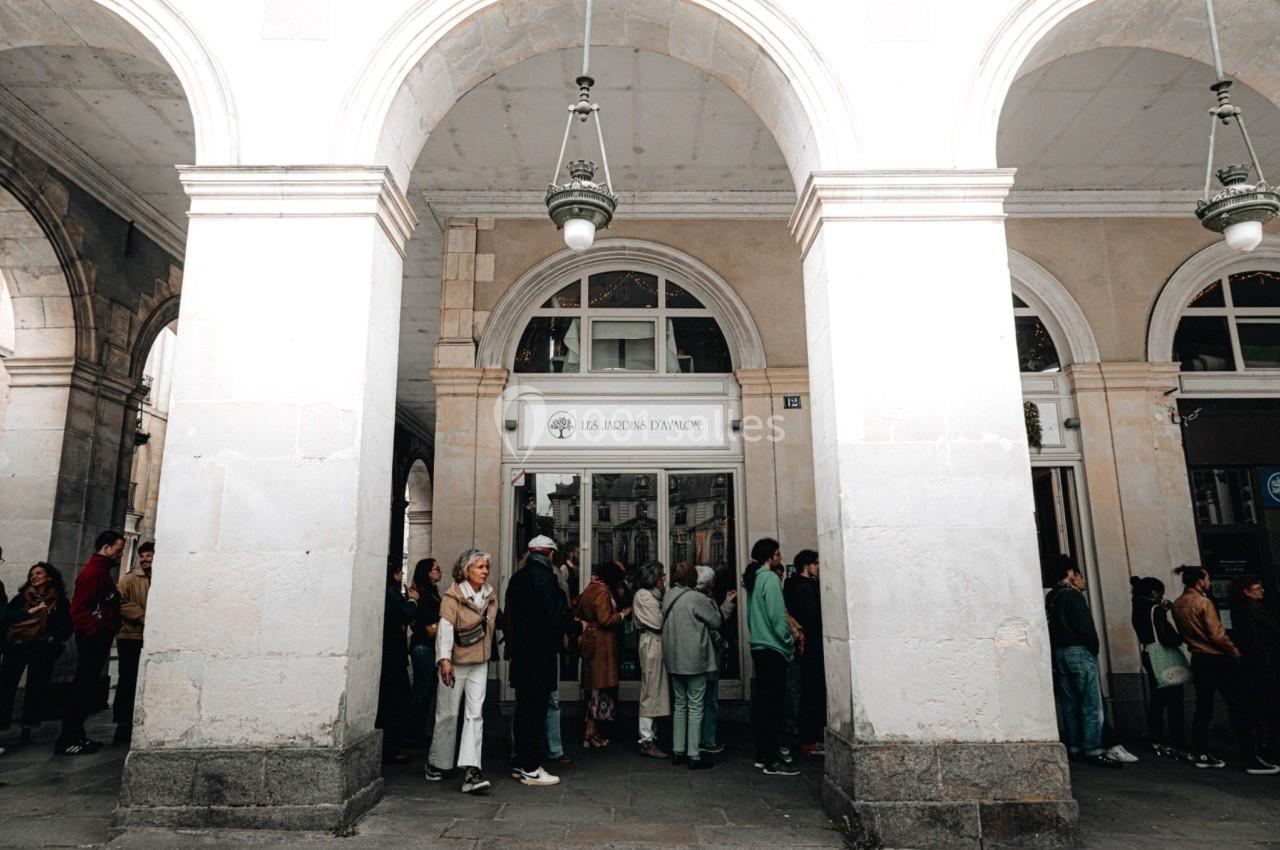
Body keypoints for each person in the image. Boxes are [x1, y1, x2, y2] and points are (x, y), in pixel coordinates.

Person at [1171, 566, 1274, 774]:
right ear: (1200, 581)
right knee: (1238, 707)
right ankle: (1251, 757)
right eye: (1208, 578)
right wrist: (1234, 652)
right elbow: (1217, 634)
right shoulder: (1203, 602)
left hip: (1198, 658)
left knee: (1203, 707)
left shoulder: (1178, 603)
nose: (1210, 582)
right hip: (1216, 658)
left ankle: (1201, 751)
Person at [505, 535, 578, 787]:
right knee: (536, 711)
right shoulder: (546, 578)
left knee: (524, 709)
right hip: (540, 654)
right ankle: (531, 767)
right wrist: (575, 626)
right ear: (549, 555)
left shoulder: (517, 578)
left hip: (522, 654)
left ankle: (520, 763)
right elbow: (554, 616)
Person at [424, 549, 498, 794]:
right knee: (448, 713)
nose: (485, 571)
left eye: (486, 567)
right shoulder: (453, 596)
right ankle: (437, 761)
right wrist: (444, 659)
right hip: (455, 662)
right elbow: (445, 628)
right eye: (479, 567)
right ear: (467, 570)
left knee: (475, 714)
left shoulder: (489, 595)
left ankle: (471, 770)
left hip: (479, 661)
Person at [1044, 555, 1121, 768]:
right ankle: (1093, 749)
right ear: (1071, 574)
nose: (1083, 580)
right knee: (1090, 702)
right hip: (1079, 651)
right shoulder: (1073, 597)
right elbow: (1085, 627)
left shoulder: (1053, 596)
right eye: (1080, 575)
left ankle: (1075, 746)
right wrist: (1092, 648)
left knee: (1069, 703)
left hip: (1060, 653)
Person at [57, 530, 124, 755]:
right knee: (82, 688)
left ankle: (77, 735)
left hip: (97, 636)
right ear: (106, 547)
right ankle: (69, 738)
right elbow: (78, 609)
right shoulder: (93, 573)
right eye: (118, 549)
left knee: (86, 688)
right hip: (92, 638)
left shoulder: (100, 572)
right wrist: (96, 631)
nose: (120, 554)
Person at [661, 560, 729, 770]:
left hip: (673, 658)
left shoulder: (668, 596)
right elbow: (716, 621)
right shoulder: (697, 598)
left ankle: (678, 750)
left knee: (680, 705)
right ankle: (693, 754)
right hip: (695, 658)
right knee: (696, 705)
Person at [743, 537, 799, 776]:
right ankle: (772, 760)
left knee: (763, 705)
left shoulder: (754, 579)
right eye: (778, 554)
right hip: (773, 648)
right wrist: (789, 642)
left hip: (758, 645)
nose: (781, 559)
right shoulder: (771, 580)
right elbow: (777, 618)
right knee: (775, 707)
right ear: (769, 556)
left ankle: (762, 754)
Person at [1, 563, 72, 741]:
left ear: (49, 577)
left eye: (39, 573)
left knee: (37, 687)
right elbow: (7, 618)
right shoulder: (22, 598)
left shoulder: (59, 600)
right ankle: (2, 724)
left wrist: (54, 637)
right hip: (18, 646)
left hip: (42, 648)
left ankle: (28, 727)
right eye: (32, 574)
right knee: (6, 685)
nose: (34, 576)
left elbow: (67, 624)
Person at [1129, 576, 1188, 760]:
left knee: (1158, 698)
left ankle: (1157, 737)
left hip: (1149, 653)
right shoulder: (1156, 610)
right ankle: (1177, 740)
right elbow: (1165, 636)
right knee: (1174, 699)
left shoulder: (1137, 608)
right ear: (1154, 593)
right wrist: (1178, 636)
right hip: (1163, 655)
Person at [576, 560, 629, 748]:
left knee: (593, 687)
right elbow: (606, 619)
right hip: (602, 644)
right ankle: (590, 732)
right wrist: (623, 614)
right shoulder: (603, 592)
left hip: (590, 641)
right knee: (600, 687)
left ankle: (592, 732)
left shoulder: (590, 588)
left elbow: (578, 609)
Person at [1230, 576, 1280, 767]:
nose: (1262, 591)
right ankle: (1269, 749)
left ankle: (1264, 748)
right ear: (1246, 591)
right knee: (1269, 707)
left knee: (1260, 708)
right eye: (1257, 588)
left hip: (1254, 664)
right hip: (1266, 664)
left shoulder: (1239, 610)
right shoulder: (1254, 611)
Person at [377, 560, 419, 764]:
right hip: (394, 654)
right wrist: (412, 601)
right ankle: (391, 748)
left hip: (390, 653)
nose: (402, 575)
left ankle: (392, 746)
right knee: (396, 700)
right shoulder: (391, 594)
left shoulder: (386, 593)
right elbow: (406, 614)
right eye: (399, 572)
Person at [784, 549, 825, 756]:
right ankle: (810, 737)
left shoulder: (793, 586)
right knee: (811, 692)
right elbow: (812, 619)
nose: (818, 566)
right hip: (811, 647)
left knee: (804, 690)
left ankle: (808, 735)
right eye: (815, 563)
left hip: (804, 646)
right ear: (806, 566)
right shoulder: (805, 589)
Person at [113, 541, 153, 745]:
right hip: (130, 635)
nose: (145, 559)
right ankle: (123, 723)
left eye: (149, 555)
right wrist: (143, 616)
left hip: (148, 636)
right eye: (143, 556)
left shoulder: (159, 578)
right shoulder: (130, 579)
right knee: (127, 679)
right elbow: (119, 602)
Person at [632, 560, 669, 759]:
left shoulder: (653, 595)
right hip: (651, 643)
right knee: (650, 690)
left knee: (654, 690)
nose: (664, 579)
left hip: (656, 642)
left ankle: (650, 736)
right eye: (661, 576)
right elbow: (657, 622)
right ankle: (646, 739)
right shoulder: (644, 596)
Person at [409, 558, 443, 749]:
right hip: (423, 645)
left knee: (426, 688)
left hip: (428, 645)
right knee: (422, 689)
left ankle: (419, 731)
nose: (439, 571)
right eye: (436, 569)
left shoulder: (431, 592)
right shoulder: (421, 592)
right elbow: (422, 618)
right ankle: (413, 732)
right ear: (427, 572)